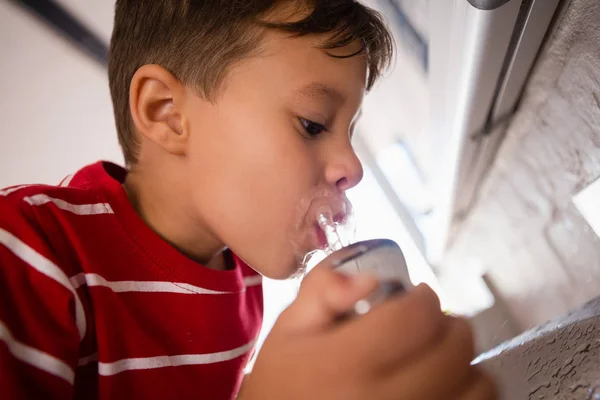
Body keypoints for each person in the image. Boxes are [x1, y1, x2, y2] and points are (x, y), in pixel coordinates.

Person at [0, 0, 497, 399]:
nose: (354, 167)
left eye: (349, 132)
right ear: (167, 112)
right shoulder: (27, 252)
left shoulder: (243, 280)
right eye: (313, 123)